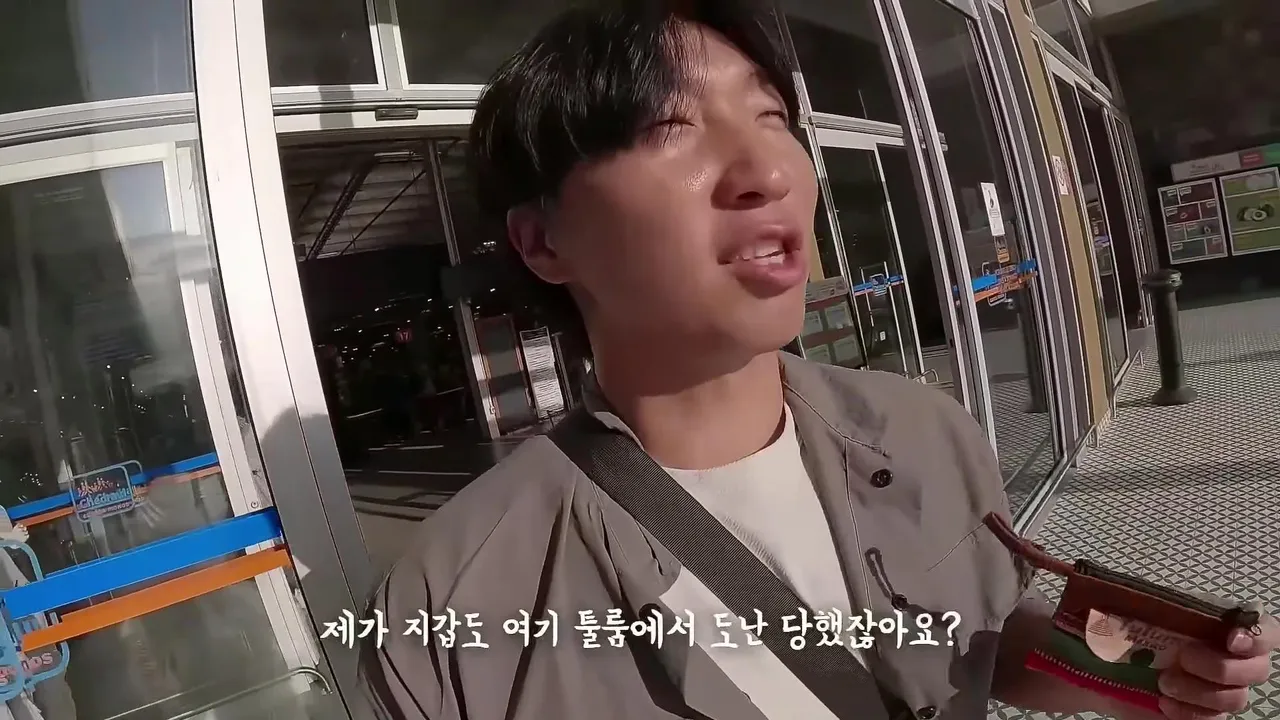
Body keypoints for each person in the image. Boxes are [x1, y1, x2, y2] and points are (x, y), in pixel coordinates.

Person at [360, 2, 1278, 718]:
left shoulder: (925, 431)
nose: (769, 170)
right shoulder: (451, 601)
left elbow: (981, 645)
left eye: (770, 115)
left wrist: (1134, 677)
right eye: (669, 128)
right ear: (543, 242)